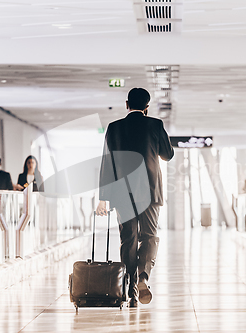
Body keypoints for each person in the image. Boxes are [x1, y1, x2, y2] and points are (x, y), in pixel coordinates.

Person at [96, 88, 174, 307]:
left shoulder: (114, 128)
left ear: (126, 104)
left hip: (122, 193)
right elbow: (168, 155)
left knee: (128, 239)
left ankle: (129, 284)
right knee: (149, 236)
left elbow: (107, 163)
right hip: (149, 190)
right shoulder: (155, 125)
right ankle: (143, 277)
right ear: (147, 107)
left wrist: (103, 197)